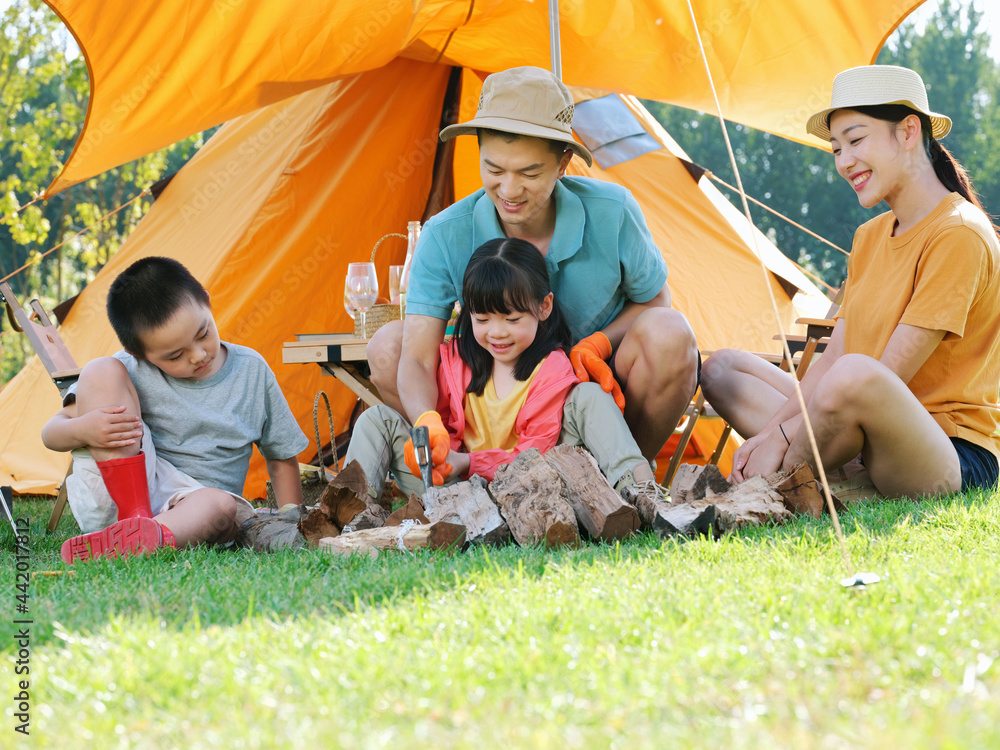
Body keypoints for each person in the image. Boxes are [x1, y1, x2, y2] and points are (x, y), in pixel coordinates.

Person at [367, 66, 699, 473]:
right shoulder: (444, 234)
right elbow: (416, 357)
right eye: (494, 170)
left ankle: (624, 480)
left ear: (562, 164)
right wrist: (425, 418)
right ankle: (472, 477)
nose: (508, 190)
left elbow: (656, 303)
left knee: (671, 333)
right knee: (386, 347)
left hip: (596, 392)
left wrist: (596, 344)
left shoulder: (614, 211)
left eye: (529, 173)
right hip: (495, 405)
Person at [701, 65, 1000, 499]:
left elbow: (887, 375)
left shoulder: (958, 232)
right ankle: (839, 476)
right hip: (860, 427)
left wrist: (783, 439)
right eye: (836, 149)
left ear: (908, 131)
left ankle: (790, 482)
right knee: (723, 369)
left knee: (857, 374)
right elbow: (832, 357)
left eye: (856, 141)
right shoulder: (869, 236)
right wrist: (769, 433)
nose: (844, 162)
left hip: (946, 452)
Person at [346, 238, 665, 510]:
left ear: (544, 307)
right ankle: (351, 508)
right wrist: (431, 441)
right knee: (377, 420)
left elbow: (535, 455)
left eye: (511, 320)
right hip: (455, 491)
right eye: (482, 320)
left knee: (589, 396)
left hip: (532, 487)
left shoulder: (551, 370)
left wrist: (469, 462)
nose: (497, 333)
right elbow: (439, 435)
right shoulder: (453, 362)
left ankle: (638, 491)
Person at [42, 256, 308, 563]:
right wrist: (82, 429)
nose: (197, 355)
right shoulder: (130, 368)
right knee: (100, 369)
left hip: (199, 513)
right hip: (125, 491)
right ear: (140, 353)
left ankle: (143, 539)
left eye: (203, 334)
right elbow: (51, 434)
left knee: (220, 505)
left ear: (207, 302)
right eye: (175, 355)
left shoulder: (251, 371)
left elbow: (281, 456)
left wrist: (290, 519)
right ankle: (134, 521)